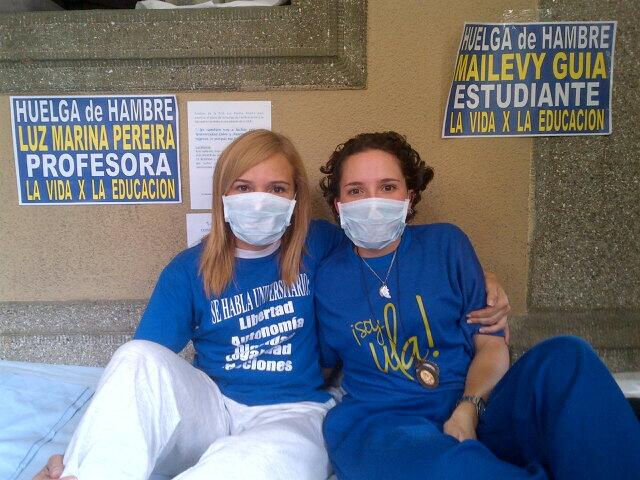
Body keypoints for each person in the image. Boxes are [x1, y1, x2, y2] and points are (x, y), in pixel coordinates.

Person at [34, 129, 511, 480]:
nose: (260, 201)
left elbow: (391, 253)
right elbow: (138, 384)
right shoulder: (188, 269)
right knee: (135, 356)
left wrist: (483, 280)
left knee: (243, 465)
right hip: (214, 406)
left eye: (277, 189)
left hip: (293, 413)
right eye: (244, 187)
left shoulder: (320, 244)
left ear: (295, 197)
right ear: (223, 195)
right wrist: (81, 452)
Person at [314, 131, 640, 480]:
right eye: (356, 190)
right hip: (382, 426)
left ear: (409, 197)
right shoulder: (326, 276)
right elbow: (315, 366)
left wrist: (468, 407)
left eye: (388, 187)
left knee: (568, 356)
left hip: (474, 406)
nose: (373, 202)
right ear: (338, 204)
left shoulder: (447, 245)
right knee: (449, 467)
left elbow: (490, 344)